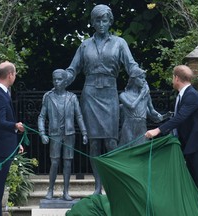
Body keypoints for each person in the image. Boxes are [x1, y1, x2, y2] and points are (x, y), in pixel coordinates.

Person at [65, 4, 142, 195]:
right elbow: (72, 69)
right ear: (92, 22)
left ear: (110, 22)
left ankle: (113, 183)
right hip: (90, 94)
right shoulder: (85, 45)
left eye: (104, 20)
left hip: (109, 93)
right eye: (97, 20)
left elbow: (131, 65)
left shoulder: (119, 43)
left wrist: (139, 74)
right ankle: (98, 186)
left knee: (111, 141)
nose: (101, 24)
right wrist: (61, 80)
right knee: (94, 143)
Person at [145, 65, 198, 204]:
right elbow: (178, 119)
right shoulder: (183, 95)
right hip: (192, 147)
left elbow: (180, 117)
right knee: (192, 188)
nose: (172, 80)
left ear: (176, 78)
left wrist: (157, 130)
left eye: (172, 77)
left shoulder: (191, 95)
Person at [38, 69, 88, 201]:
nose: (56, 82)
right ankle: (50, 190)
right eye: (54, 79)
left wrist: (84, 132)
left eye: (59, 79)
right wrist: (42, 133)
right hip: (55, 134)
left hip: (69, 134)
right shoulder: (48, 97)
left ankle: (66, 191)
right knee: (54, 163)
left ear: (65, 82)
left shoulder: (72, 98)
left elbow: (79, 116)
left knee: (67, 163)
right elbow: (41, 117)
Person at [0, 61, 24, 216]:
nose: (14, 77)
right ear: (10, 75)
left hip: (4, 146)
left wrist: (15, 144)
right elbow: (1, 122)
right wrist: (16, 126)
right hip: (0, 149)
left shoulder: (1, 92)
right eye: (14, 74)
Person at [119, 68, 171, 146]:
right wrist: (141, 95)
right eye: (141, 77)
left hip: (141, 127)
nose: (143, 80)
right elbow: (132, 106)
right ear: (133, 79)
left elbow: (152, 112)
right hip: (129, 126)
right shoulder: (123, 95)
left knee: (141, 148)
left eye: (144, 78)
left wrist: (164, 116)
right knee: (127, 148)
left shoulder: (146, 96)